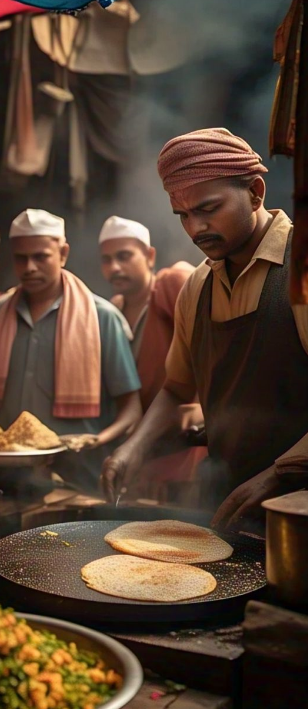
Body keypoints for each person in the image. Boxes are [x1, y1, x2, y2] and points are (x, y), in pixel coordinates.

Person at [101, 128, 308, 528]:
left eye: (208, 209)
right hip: (229, 506)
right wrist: (133, 449)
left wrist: (277, 475)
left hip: (299, 516)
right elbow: (178, 387)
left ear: (255, 192)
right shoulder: (197, 287)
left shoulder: (300, 269)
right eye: (183, 215)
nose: (196, 229)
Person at [0, 209, 142, 491]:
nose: (29, 267)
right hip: (1, 480)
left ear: (63, 253)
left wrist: (98, 440)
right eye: (21, 258)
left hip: (79, 479)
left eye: (41, 256)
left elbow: (131, 408)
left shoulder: (101, 317)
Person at [99, 216, 204, 499]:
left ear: (149, 255)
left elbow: (213, 352)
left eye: (124, 256)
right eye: (106, 260)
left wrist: (203, 409)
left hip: (182, 444)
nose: (115, 267)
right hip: (140, 450)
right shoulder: (112, 312)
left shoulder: (171, 285)